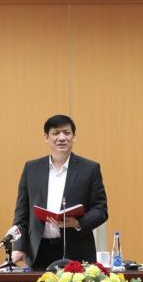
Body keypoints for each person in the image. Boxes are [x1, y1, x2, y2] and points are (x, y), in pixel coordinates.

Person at [11, 114, 108, 270]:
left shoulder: (89, 169)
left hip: (77, 251)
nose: (62, 138)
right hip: (38, 251)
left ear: (74, 136)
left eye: (66, 133)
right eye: (56, 133)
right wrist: (18, 246)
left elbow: (101, 210)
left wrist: (77, 223)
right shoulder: (31, 168)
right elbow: (21, 213)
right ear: (46, 137)